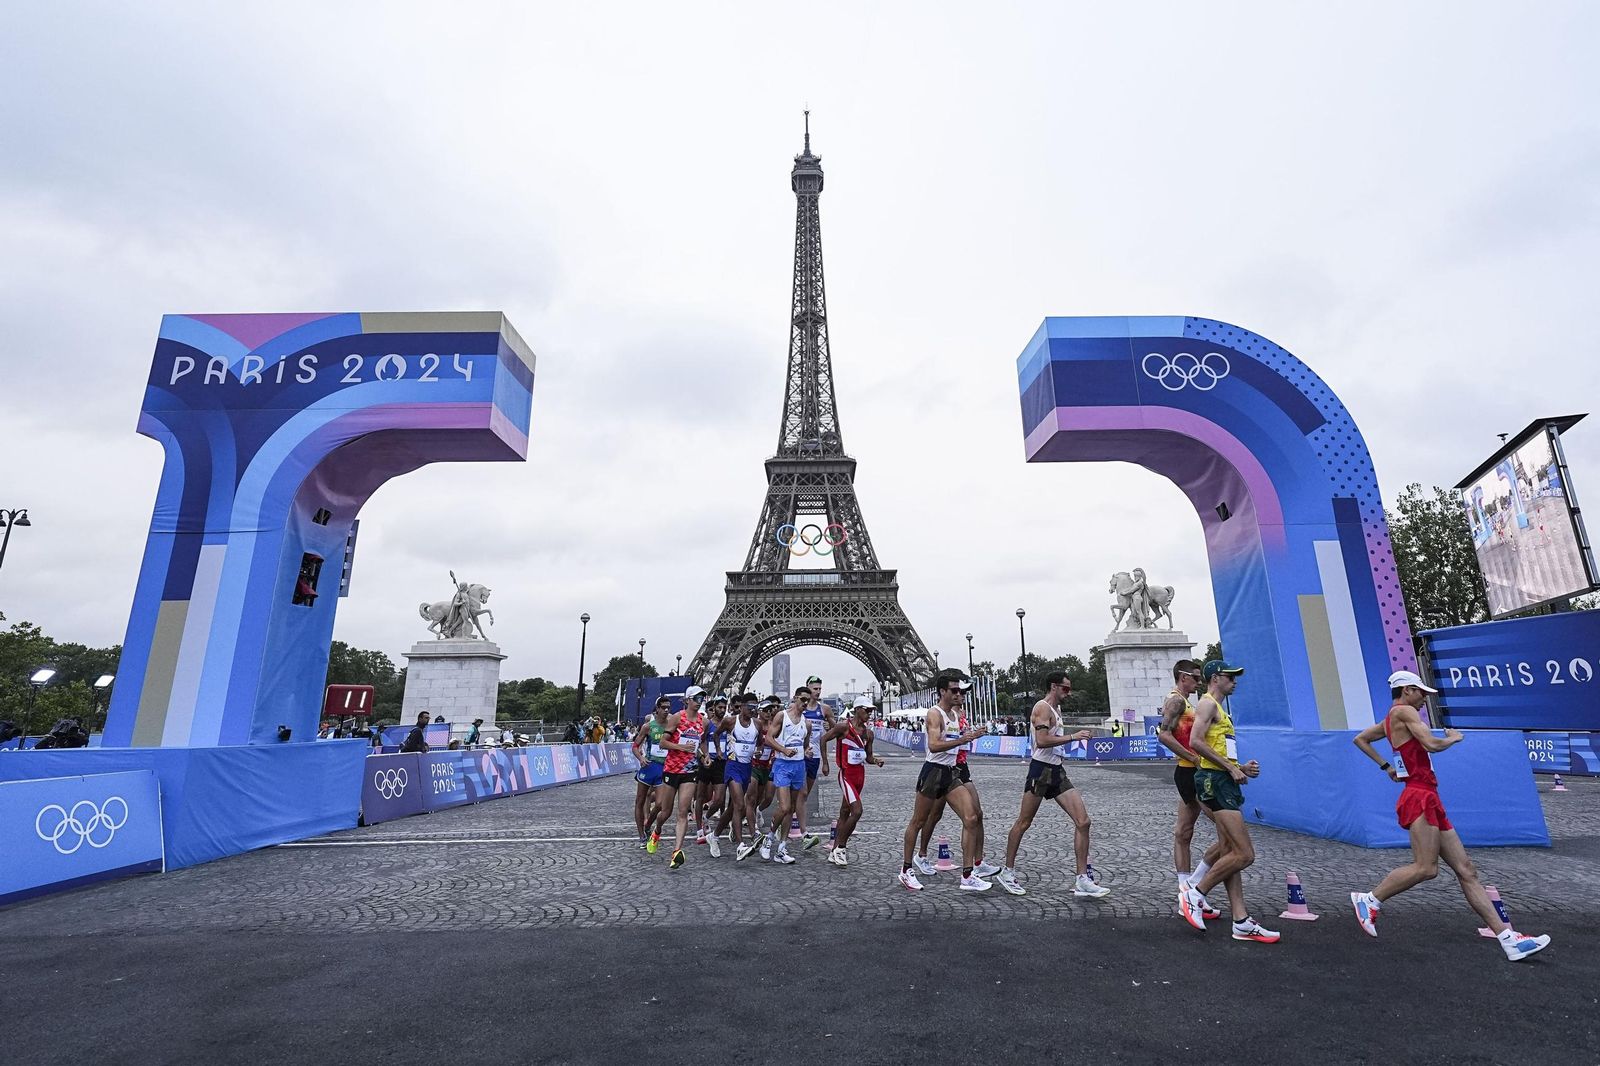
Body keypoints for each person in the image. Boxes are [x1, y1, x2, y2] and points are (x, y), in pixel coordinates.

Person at [1349, 671, 1551, 961]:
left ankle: (1510, 941)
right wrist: (1453, 738)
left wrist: (1386, 768)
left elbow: (1361, 739)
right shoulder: (1404, 711)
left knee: (1466, 870)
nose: (1424, 700)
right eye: (1421, 693)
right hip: (1419, 796)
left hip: (1428, 795)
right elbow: (1432, 744)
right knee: (1426, 868)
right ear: (1407, 691)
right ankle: (1369, 899)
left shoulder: (1390, 719)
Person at [1178, 661, 1278, 943]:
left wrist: (1240, 767)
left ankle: (1241, 921)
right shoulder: (1208, 704)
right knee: (1244, 854)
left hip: (1222, 778)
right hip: (1216, 782)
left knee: (1228, 852)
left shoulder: (1219, 708)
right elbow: (1196, 742)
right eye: (1230, 677)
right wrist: (1231, 769)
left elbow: (1216, 747)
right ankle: (1195, 893)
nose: (1235, 681)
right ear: (1215, 678)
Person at [995, 671, 1109, 898]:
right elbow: (1042, 741)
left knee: (1083, 821)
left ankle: (1082, 879)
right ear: (1054, 686)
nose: (1069, 693)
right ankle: (1007, 871)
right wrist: (1073, 737)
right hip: (1040, 770)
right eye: (1065, 688)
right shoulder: (1042, 708)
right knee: (1024, 822)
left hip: (1056, 770)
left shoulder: (1056, 710)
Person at [899, 671, 991, 891]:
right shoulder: (935, 714)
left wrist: (971, 736)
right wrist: (962, 739)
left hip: (950, 772)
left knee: (971, 818)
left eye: (959, 690)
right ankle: (905, 870)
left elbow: (955, 742)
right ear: (943, 691)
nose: (959, 693)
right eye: (954, 690)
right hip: (933, 772)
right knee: (918, 821)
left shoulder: (955, 716)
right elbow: (933, 745)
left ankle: (968, 876)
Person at [1155, 659, 1224, 920]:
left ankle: (1187, 889)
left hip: (1189, 770)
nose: (1198, 682)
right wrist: (1194, 758)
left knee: (1183, 832)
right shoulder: (1176, 701)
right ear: (1183, 678)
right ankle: (1192, 888)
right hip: (1190, 771)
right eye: (1195, 678)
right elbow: (1163, 735)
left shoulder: (1186, 702)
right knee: (1227, 828)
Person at [819, 695, 884, 867]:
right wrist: (825, 763)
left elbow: (868, 757)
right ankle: (840, 848)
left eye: (871, 710)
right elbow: (823, 739)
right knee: (857, 811)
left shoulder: (869, 733)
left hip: (859, 776)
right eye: (866, 710)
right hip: (846, 774)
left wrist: (876, 760)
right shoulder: (843, 727)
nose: (869, 713)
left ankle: (834, 850)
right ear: (857, 710)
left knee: (845, 812)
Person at [650, 686, 710, 869]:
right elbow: (663, 742)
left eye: (702, 698)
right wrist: (681, 748)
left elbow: (702, 741)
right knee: (665, 812)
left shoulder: (703, 721)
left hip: (689, 772)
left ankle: (676, 852)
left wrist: (704, 756)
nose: (700, 702)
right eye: (697, 698)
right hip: (671, 770)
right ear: (688, 700)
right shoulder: (677, 717)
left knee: (683, 812)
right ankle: (657, 830)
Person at [760, 690, 811, 865]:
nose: (805, 703)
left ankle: (781, 848)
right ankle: (768, 838)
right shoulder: (782, 716)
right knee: (784, 807)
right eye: (803, 699)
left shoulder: (807, 723)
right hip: (782, 765)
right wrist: (783, 750)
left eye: (808, 700)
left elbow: (805, 745)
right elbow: (768, 738)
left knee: (791, 810)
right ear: (795, 698)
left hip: (799, 767)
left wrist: (807, 751)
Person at [719, 694, 763, 860]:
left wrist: (757, 751)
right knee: (739, 805)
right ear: (743, 706)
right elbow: (716, 735)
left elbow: (760, 741)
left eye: (755, 708)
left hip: (747, 767)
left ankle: (715, 834)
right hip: (732, 766)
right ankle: (740, 845)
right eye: (751, 707)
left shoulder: (757, 724)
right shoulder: (730, 721)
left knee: (734, 808)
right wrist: (719, 750)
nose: (753, 711)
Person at [796, 679, 832, 850]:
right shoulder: (798, 709)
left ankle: (786, 818)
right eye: (815, 688)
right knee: (801, 792)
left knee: (804, 795)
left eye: (820, 688)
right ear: (807, 689)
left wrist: (825, 762)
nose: (818, 691)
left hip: (815, 756)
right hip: (799, 755)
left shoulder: (824, 709)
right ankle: (804, 833)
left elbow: (834, 732)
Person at [632, 698, 671, 848]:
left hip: (664, 768)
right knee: (640, 801)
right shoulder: (648, 726)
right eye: (663, 708)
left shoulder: (672, 725)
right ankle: (642, 835)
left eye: (668, 707)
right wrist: (641, 758)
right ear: (657, 709)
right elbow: (635, 746)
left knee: (660, 804)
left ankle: (648, 825)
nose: (666, 710)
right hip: (648, 767)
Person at [695, 694, 730, 856]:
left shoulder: (728, 723)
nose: (722, 710)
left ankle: (706, 818)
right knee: (700, 797)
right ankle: (698, 829)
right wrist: (705, 755)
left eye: (725, 707)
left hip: (721, 764)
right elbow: (700, 741)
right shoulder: (707, 723)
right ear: (714, 707)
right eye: (720, 707)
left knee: (720, 799)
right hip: (706, 763)